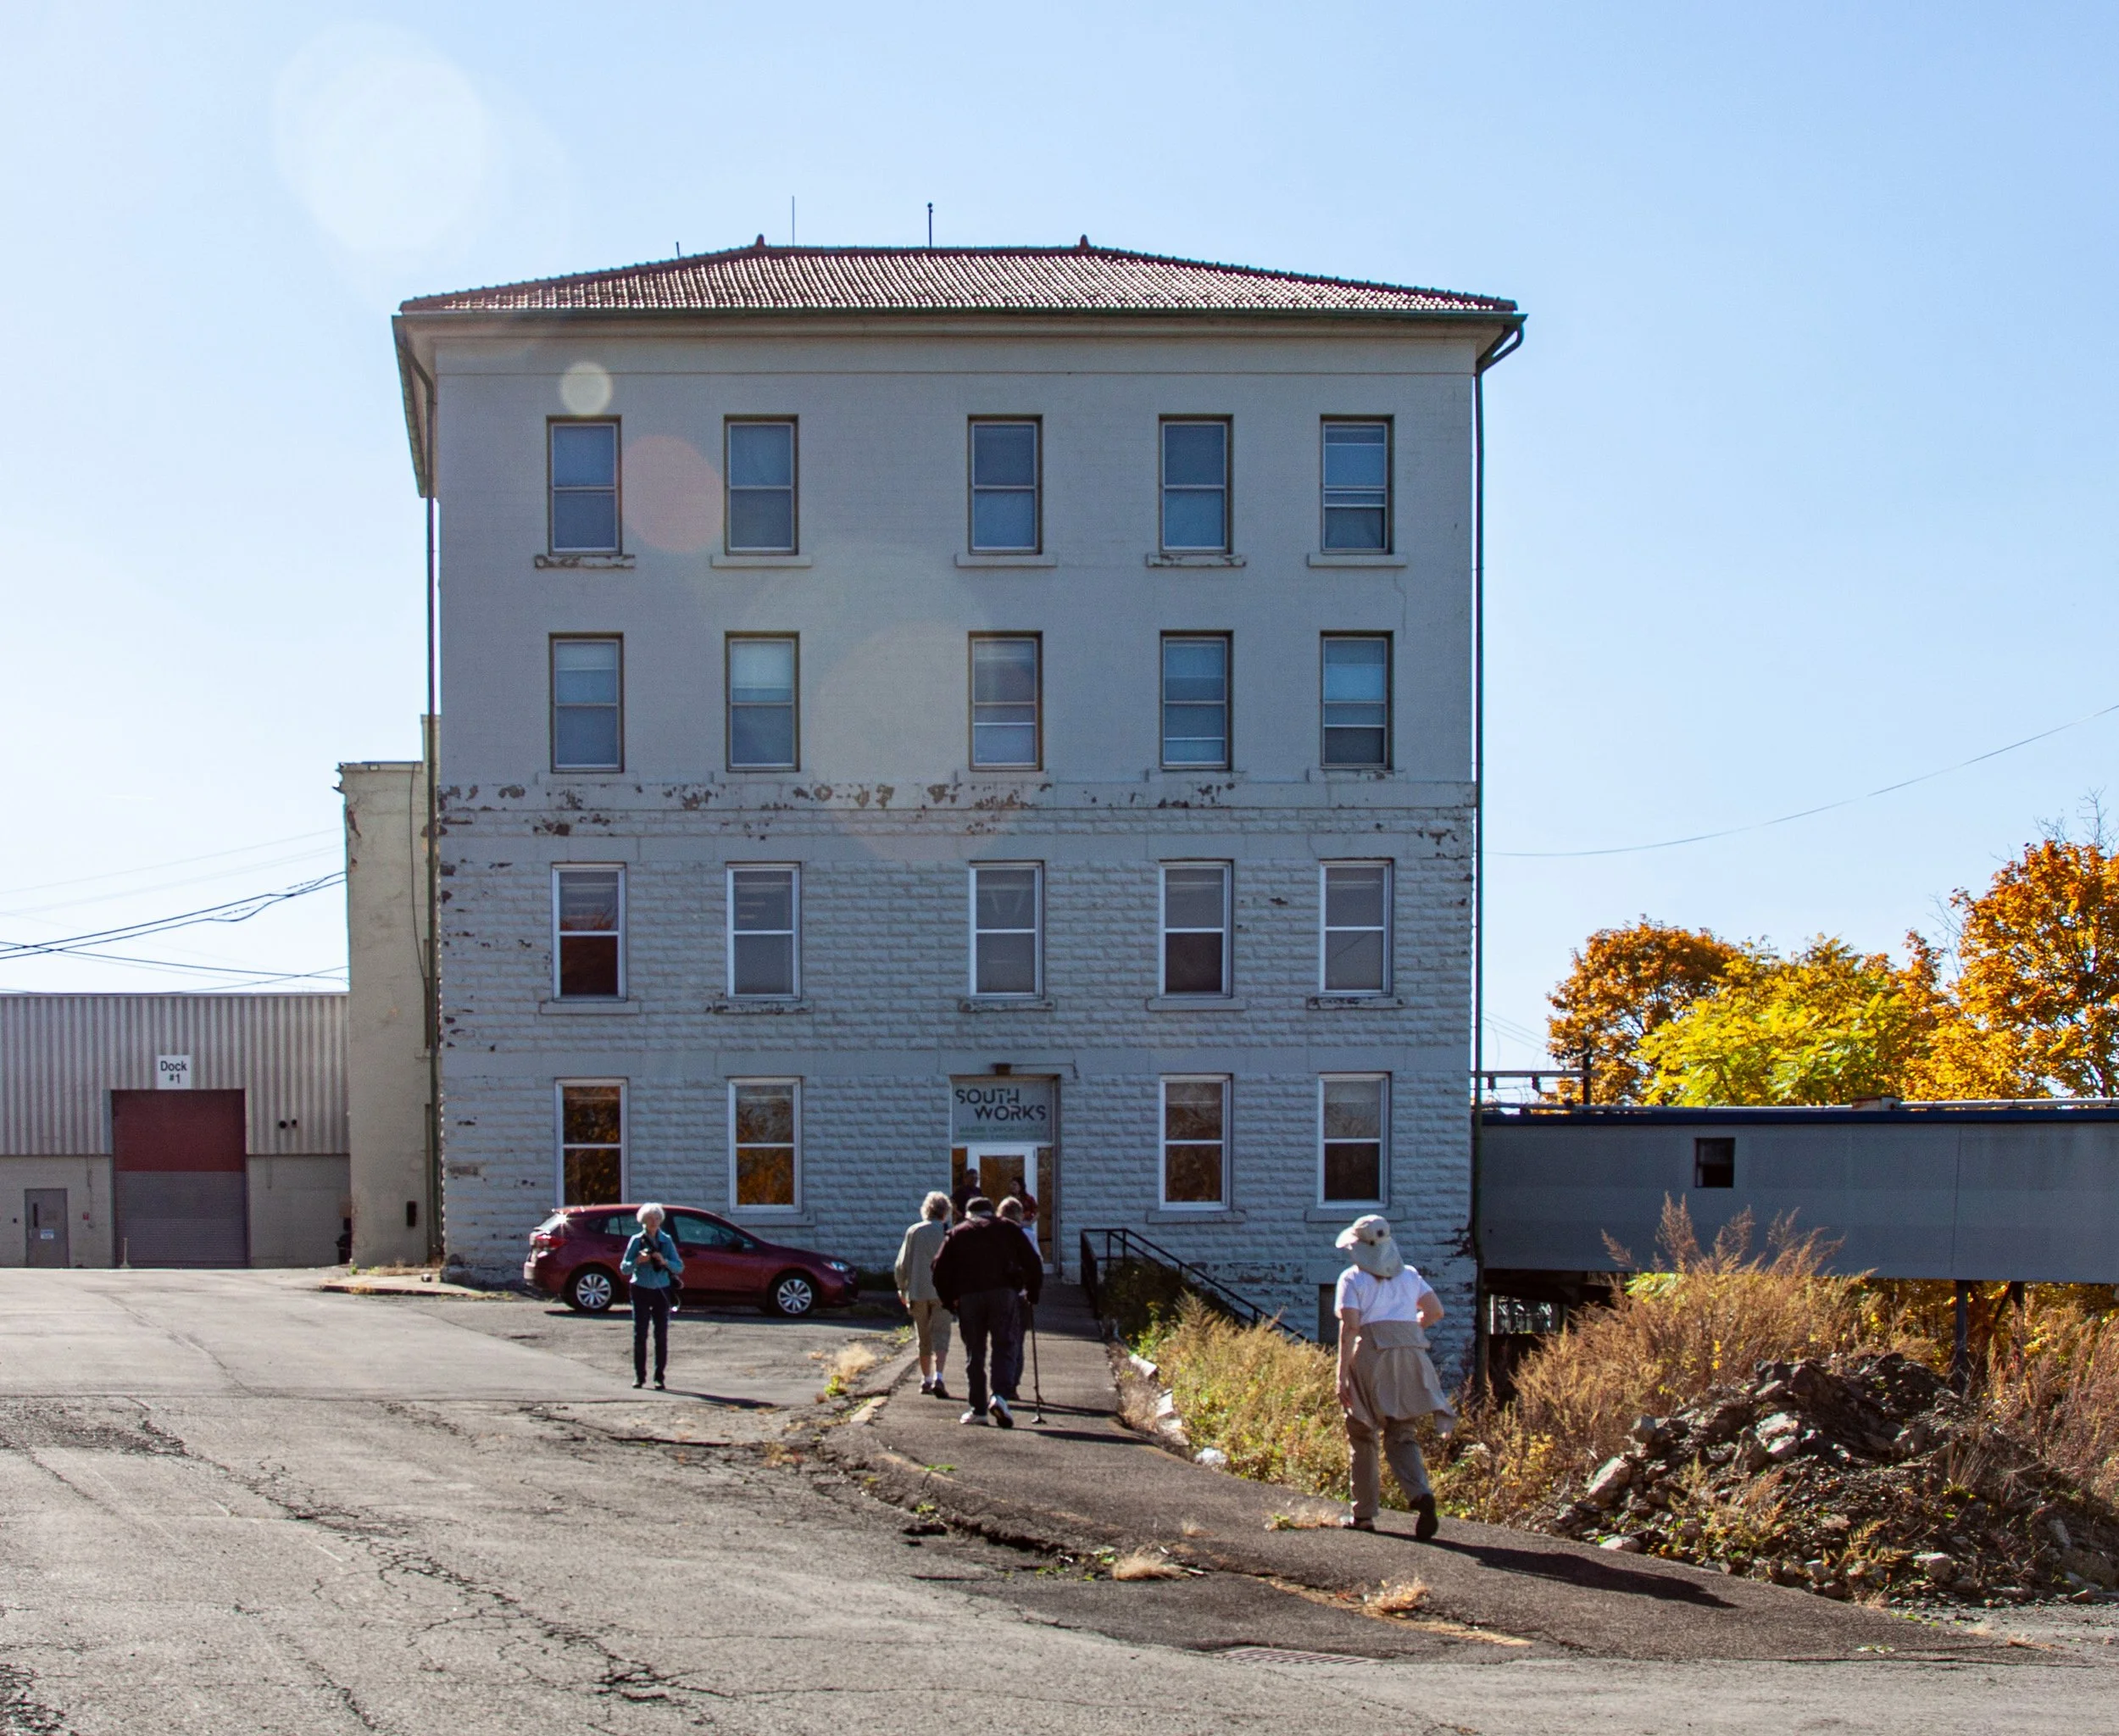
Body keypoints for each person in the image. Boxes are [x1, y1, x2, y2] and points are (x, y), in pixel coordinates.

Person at [1332, 1214, 1451, 1538]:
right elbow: (1435, 1311)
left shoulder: (1352, 1279)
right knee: (1402, 1432)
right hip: (1412, 1351)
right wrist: (1407, 1331)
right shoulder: (1410, 1276)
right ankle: (1420, 1494)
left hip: (1370, 1352)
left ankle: (1365, 1515)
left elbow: (1351, 1327)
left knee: (1362, 1432)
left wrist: (1341, 1374)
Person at [931, 1194, 1042, 1427]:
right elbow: (1033, 1262)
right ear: (992, 1212)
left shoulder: (958, 1233)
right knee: (1005, 1345)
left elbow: (938, 1269)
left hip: (969, 1297)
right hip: (1003, 1295)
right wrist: (1032, 1293)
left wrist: (950, 1301)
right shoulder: (1009, 1229)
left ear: (968, 1214)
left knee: (975, 1353)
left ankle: (978, 1409)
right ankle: (1000, 1397)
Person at [895, 1191, 954, 1399]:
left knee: (923, 1337)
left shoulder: (914, 1231)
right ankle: (939, 1376)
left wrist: (902, 1288)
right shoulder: (949, 1232)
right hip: (943, 1293)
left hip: (918, 1290)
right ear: (944, 1212)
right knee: (942, 1336)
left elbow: (901, 1264)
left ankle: (925, 1378)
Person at [620, 1203, 686, 1391]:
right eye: (650, 1219)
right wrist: (637, 1261)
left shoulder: (666, 1240)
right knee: (640, 1333)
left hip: (661, 1290)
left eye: (657, 1219)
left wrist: (664, 1261)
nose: (654, 1222)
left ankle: (659, 1378)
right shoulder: (636, 1240)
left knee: (661, 1334)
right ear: (643, 1221)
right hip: (640, 1288)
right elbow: (624, 1268)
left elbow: (679, 1266)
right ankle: (639, 1376)